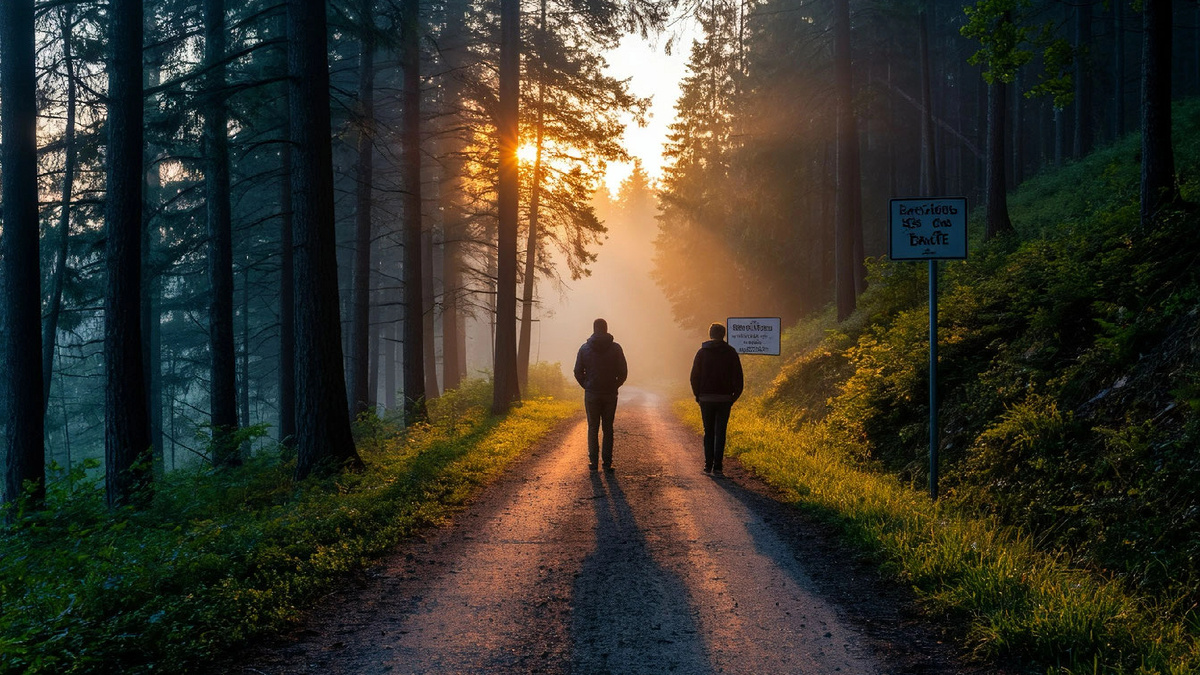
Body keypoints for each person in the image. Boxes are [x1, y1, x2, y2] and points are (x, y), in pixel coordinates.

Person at [573, 318, 628, 470]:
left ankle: (593, 462)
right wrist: (615, 384)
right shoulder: (616, 348)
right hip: (610, 393)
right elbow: (623, 371)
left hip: (592, 393)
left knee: (592, 427)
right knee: (608, 427)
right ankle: (607, 462)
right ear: (606, 328)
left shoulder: (584, 348)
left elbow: (577, 371)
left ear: (594, 329)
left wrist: (586, 385)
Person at [690, 322, 744, 475]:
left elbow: (694, 376)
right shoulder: (731, 352)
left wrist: (697, 395)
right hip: (725, 399)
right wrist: (733, 397)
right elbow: (738, 378)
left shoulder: (702, 352)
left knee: (708, 431)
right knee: (721, 432)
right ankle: (718, 467)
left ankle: (708, 466)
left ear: (710, 334)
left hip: (706, 398)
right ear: (723, 335)